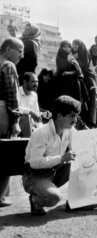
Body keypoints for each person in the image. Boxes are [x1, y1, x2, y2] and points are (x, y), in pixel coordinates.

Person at [22, 95, 81, 215]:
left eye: (76, 116)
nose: (75, 120)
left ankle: (80, 201)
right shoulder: (41, 133)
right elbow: (35, 163)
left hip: (53, 171)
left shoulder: (69, 130)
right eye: (72, 116)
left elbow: (82, 144)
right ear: (59, 116)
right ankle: (35, 200)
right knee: (54, 197)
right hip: (34, 175)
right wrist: (62, 158)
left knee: (80, 167)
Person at [0, 37, 24, 207]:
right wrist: (15, 121)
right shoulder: (8, 66)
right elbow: (12, 97)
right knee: (4, 154)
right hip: (2, 113)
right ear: (8, 49)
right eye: (19, 50)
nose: (21, 55)